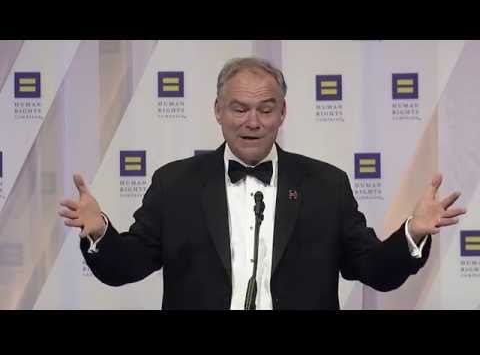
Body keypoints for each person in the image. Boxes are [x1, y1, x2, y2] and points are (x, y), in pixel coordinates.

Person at [59, 57, 466, 309]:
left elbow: (374, 269)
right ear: (218, 111)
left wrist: (411, 234)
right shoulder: (175, 184)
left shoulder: (326, 184)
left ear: (282, 113)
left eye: (264, 109)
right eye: (239, 108)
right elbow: (126, 266)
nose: (252, 121)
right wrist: (100, 233)